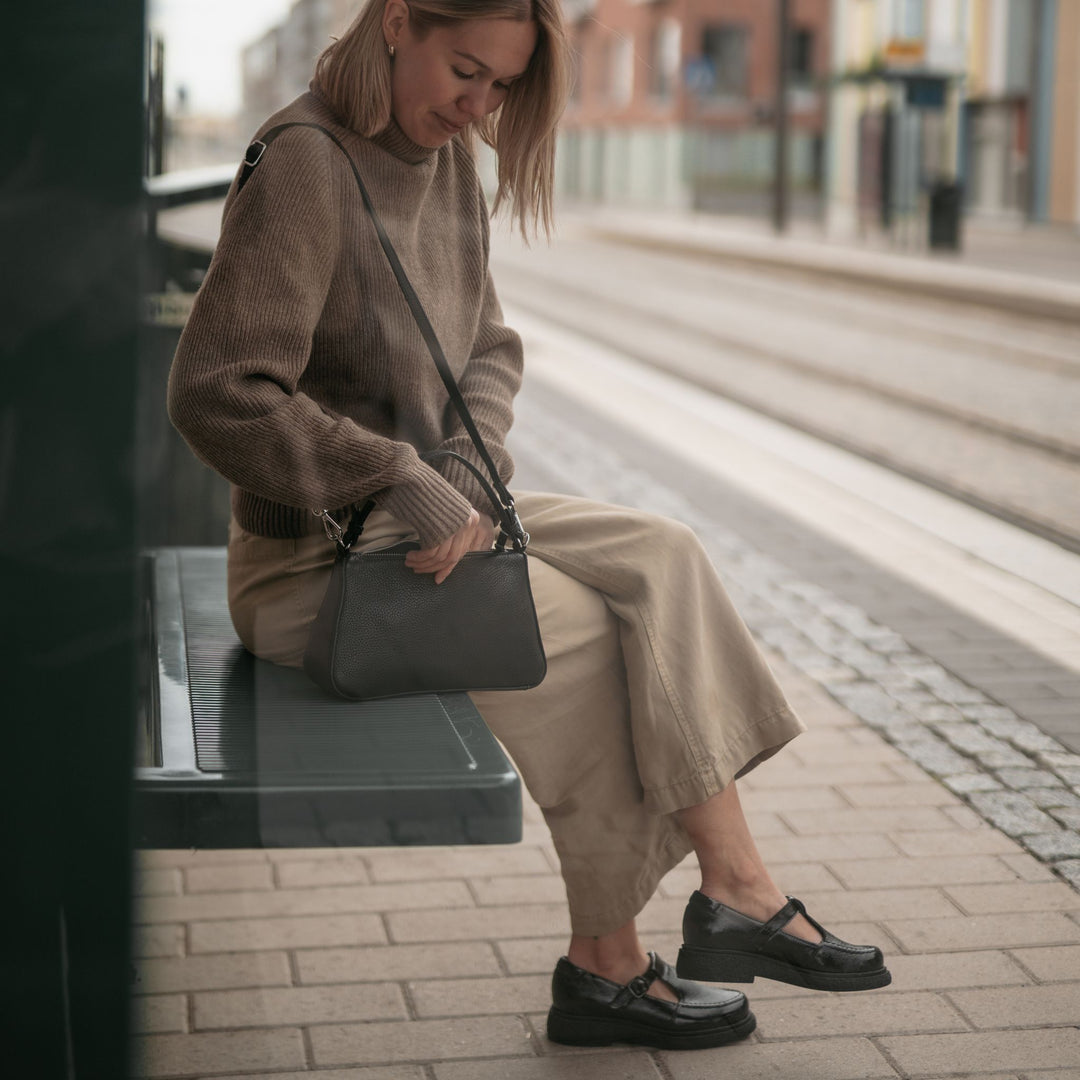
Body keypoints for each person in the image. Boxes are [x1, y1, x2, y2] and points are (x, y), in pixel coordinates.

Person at [168, 0, 891, 1052]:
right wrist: (394, 474)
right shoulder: (304, 164)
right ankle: (606, 967)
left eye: (499, 86)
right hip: (311, 567)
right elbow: (216, 387)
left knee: (664, 553)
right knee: (588, 634)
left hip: (428, 518)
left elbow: (491, 349)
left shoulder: (448, 159)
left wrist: (462, 462)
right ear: (397, 23)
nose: (477, 106)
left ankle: (736, 888)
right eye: (464, 69)